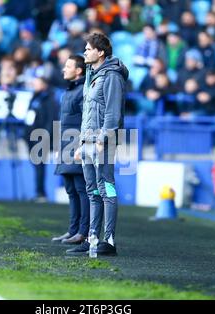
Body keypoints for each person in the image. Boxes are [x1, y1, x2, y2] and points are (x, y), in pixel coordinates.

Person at [68, 33, 129, 256]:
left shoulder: (111, 76)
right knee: (92, 191)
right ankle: (93, 238)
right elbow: (89, 113)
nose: (85, 52)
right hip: (88, 142)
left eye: (88, 48)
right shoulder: (92, 75)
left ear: (100, 52)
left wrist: (103, 140)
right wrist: (81, 142)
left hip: (103, 143)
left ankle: (109, 240)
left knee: (106, 188)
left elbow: (112, 112)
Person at [52, 55, 90, 246]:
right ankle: (73, 230)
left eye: (68, 66)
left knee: (81, 189)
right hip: (66, 145)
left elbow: (87, 121)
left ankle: (83, 232)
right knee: (70, 189)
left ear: (79, 70)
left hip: (77, 146)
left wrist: (82, 145)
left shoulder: (83, 90)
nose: (64, 69)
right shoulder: (68, 91)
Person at [24, 76, 59, 203]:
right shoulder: (34, 97)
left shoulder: (50, 99)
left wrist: (45, 136)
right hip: (31, 136)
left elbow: (51, 120)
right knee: (36, 165)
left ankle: (41, 193)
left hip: (41, 137)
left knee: (39, 165)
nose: (34, 85)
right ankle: (39, 192)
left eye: (37, 83)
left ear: (44, 84)